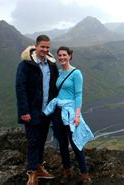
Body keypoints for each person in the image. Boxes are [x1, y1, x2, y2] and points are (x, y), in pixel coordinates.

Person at [42, 46, 94, 184]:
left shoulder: (76, 73)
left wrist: (77, 115)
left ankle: (85, 175)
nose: (62, 58)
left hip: (70, 113)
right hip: (58, 112)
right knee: (62, 144)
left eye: (64, 55)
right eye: (59, 55)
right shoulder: (58, 73)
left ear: (70, 56)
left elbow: (78, 95)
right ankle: (67, 171)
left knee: (76, 144)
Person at [16, 35, 58, 185]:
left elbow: (54, 88)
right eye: (42, 47)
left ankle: (39, 166)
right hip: (32, 111)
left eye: (47, 47)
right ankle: (32, 173)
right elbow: (20, 89)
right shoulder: (26, 64)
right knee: (33, 141)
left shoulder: (51, 66)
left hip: (46, 112)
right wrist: (24, 111)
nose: (45, 50)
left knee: (41, 141)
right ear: (36, 46)